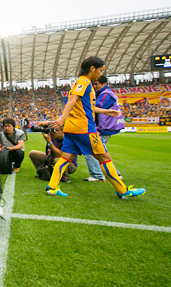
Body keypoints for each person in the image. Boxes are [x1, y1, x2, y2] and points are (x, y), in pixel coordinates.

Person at [47, 56, 145, 198]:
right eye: (100, 70)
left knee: (65, 157)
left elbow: (88, 107)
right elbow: (73, 99)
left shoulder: (84, 84)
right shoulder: (83, 82)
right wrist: (62, 118)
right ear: (92, 68)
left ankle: (52, 187)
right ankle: (122, 191)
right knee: (105, 157)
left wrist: (106, 111)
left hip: (72, 128)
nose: (101, 74)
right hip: (84, 128)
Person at [83, 75, 124, 182]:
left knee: (91, 151)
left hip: (104, 127)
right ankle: (115, 174)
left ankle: (97, 175)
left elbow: (95, 107)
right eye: (94, 84)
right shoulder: (104, 93)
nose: (95, 86)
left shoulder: (106, 95)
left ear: (104, 84)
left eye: (96, 84)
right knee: (100, 153)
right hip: (105, 126)